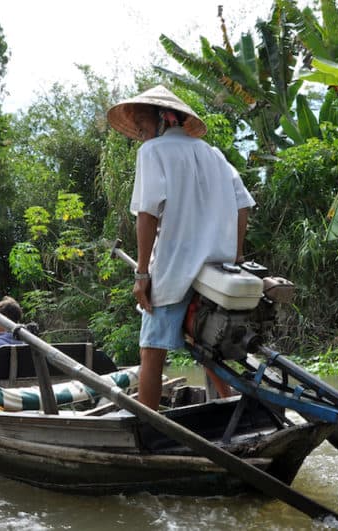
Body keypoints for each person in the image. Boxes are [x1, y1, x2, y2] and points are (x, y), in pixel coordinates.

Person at [106, 85, 255, 410]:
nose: (139, 130)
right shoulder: (213, 154)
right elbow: (242, 204)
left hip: (173, 270)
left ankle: (148, 424)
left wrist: (142, 273)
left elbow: (146, 216)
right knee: (207, 343)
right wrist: (237, 253)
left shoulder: (153, 152)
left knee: (151, 350)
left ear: (162, 117)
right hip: (217, 273)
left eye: (141, 120)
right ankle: (232, 409)